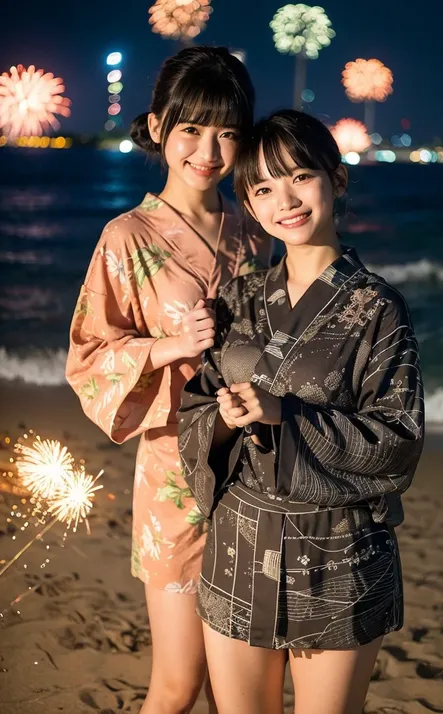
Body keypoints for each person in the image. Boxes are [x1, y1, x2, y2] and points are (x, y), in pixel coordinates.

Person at [178, 109, 424, 714]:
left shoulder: (377, 308)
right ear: (250, 204)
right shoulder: (236, 300)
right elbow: (195, 406)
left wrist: (284, 414)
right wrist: (224, 416)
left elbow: (398, 440)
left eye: (300, 176)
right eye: (262, 188)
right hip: (238, 544)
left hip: (337, 557)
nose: (283, 200)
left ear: (336, 180)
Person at [66, 46, 269, 714]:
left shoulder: (255, 232)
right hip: (175, 474)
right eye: (191, 129)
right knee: (180, 684)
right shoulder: (125, 237)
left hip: (255, 473)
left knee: (241, 688)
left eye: (228, 133)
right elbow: (90, 355)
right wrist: (167, 346)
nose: (209, 150)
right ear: (157, 128)